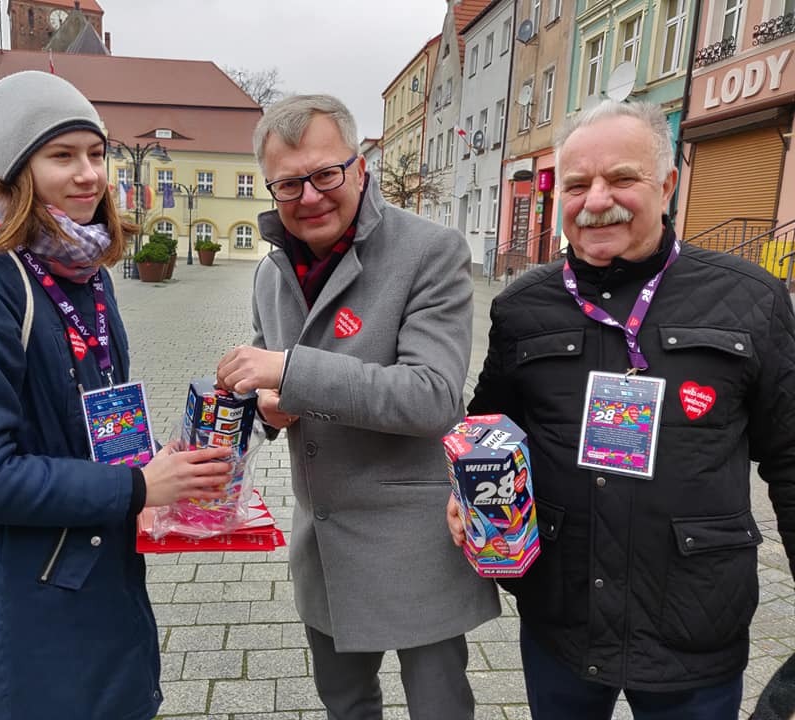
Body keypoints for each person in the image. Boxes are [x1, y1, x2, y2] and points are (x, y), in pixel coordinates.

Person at [449, 99, 795, 719]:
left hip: (695, 619)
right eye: (577, 184)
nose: (596, 199)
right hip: (563, 615)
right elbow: (489, 424)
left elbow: (791, 458)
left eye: (622, 178)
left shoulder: (751, 299)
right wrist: (467, 491)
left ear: (666, 185)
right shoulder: (524, 305)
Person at [0, 70, 232, 720]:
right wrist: (136, 487)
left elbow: (92, 409)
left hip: (100, 577)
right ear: (17, 172)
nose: (89, 175)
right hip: (26, 601)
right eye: (62, 156)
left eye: (96, 153)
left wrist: (150, 465)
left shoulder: (83, 267)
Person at [215, 94, 500, 719]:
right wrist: (267, 410)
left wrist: (290, 372)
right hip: (325, 539)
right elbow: (271, 390)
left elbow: (432, 396)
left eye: (326, 174)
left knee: (439, 707)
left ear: (360, 167)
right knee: (345, 704)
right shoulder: (271, 273)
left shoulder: (429, 250)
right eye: (289, 184)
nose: (310, 197)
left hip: (415, 539)